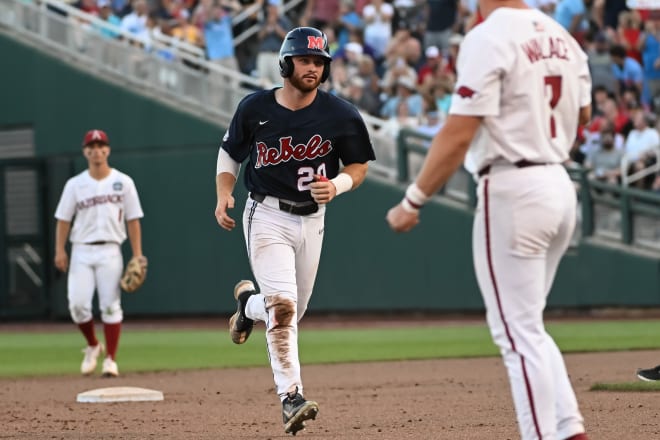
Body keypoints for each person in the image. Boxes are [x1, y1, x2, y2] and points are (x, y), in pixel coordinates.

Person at [385, 0, 592, 437]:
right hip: (558, 181)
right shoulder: (562, 36)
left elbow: (459, 133)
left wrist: (413, 200)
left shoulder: (489, 35)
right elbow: (584, 116)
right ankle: (570, 431)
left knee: (516, 335)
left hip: (512, 186)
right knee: (528, 327)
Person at [214, 27, 375, 435]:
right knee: (283, 308)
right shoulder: (255, 108)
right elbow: (230, 152)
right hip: (266, 214)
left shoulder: (340, 114)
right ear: (286, 63)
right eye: (305, 60)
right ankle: (291, 398)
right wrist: (224, 193)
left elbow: (359, 166)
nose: (313, 68)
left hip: (312, 218)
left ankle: (248, 305)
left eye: (319, 62)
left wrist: (337, 185)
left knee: (290, 312)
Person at [54, 129, 145, 378]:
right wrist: (59, 250)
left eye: (100, 145)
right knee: (78, 306)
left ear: (108, 150)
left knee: (110, 306)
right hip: (81, 250)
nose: (96, 150)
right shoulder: (75, 184)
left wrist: (137, 255)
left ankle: (111, 360)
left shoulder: (123, 182)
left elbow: (133, 219)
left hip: (110, 250)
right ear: (85, 151)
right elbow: (63, 220)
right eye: (91, 146)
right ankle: (93, 345)